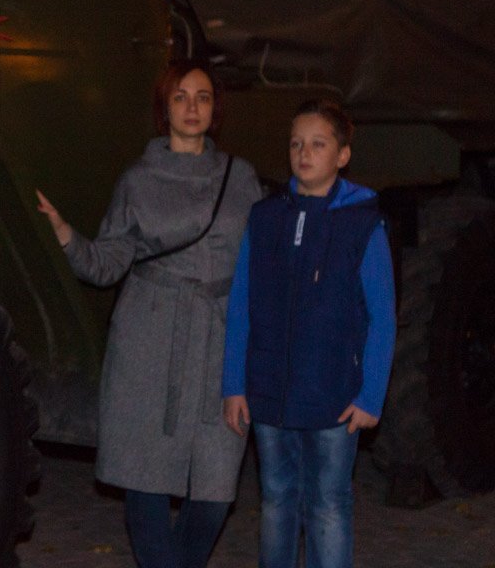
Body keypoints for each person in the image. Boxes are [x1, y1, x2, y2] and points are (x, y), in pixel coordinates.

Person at [37, 59, 262, 568]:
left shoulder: (241, 177)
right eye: (180, 97)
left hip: (220, 340)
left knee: (215, 490)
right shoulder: (138, 179)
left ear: (216, 110)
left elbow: (261, 261)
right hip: (150, 338)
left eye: (203, 97)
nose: (192, 107)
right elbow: (107, 263)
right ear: (164, 108)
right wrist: (65, 234)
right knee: (146, 477)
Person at [222, 99, 395, 568]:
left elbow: (382, 315)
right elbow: (241, 303)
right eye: (296, 143)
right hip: (270, 391)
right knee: (277, 497)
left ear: (343, 155)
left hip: (334, 395)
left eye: (319, 144)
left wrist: (371, 396)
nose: (305, 153)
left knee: (328, 503)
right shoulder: (264, 218)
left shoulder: (363, 223)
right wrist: (235, 384)